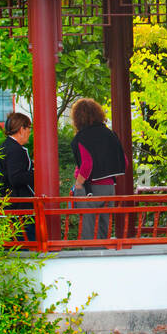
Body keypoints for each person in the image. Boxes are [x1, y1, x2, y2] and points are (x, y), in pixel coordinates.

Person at [70, 98, 127, 241]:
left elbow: (87, 164)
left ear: (77, 118)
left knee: (88, 225)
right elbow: (123, 161)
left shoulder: (82, 137)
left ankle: (89, 255)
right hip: (109, 187)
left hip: (89, 188)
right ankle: (104, 253)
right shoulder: (110, 134)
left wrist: (78, 183)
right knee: (104, 225)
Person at [0, 111, 35, 243]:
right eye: (29, 128)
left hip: (6, 204)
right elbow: (16, 178)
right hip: (19, 207)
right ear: (22, 129)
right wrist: (36, 173)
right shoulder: (15, 150)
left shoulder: (4, 146)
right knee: (26, 245)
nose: (30, 132)